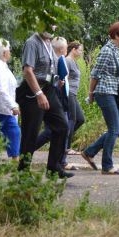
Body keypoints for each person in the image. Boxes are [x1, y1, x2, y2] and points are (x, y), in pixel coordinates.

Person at [16, 29, 74, 179]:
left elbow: (51, 67)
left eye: (54, 25)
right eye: (48, 24)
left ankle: (53, 168)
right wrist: (38, 94)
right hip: (32, 91)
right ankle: (23, 172)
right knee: (30, 132)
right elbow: (28, 71)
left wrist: (57, 81)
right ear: (39, 25)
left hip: (49, 89)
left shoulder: (49, 43)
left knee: (62, 126)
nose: (51, 28)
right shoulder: (32, 43)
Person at [81, 21, 119, 174]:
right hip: (104, 93)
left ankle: (89, 152)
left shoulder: (115, 50)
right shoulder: (107, 51)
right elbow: (95, 74)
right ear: (116, 35)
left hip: (114, 93)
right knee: (114, 129)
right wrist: (91, 94)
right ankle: (107, 166)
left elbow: (114, 74)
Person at [32, 36, 70, 157]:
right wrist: (56, 82)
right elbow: (44, 77)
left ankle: (58, 162)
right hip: (47, 95)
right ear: (61, 48)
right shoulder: (53, 60)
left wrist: (57, 82)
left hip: (54, 95)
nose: (67, 49)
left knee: (58, 128)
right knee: (52, 130)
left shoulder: (57, 59)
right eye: (66, 47)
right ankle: (27, 150)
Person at [65, 41, 86, 155]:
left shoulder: (74, 62)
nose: (81, 52)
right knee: (72, 119)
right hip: (69, 93)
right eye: (80, 50)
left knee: (80, 119)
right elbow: (64, 78)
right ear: (73, 49)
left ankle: (64, 141)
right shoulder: (68, 61)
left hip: (74, 94)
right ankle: (66, 147)